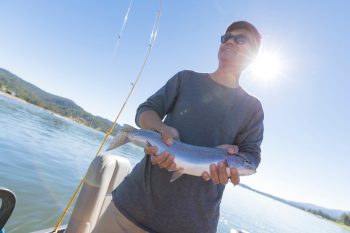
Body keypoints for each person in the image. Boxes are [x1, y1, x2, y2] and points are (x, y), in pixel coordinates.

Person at [92, 20, 264, 233]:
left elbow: (252, 158)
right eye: (226, 38)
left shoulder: (253, 108)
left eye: (240, 39)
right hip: (130, 208)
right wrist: (162, 129)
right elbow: (145, 110)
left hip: (191, 225)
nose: (229, 42)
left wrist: (233, 163)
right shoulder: (185, 79)